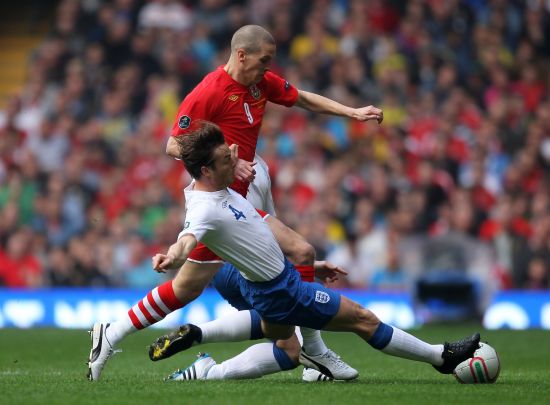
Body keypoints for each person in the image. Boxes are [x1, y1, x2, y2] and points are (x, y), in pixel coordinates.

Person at [148, 122, 479, 381]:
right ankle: (441, 357)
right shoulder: (204, 208)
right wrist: (173, 257)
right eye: (225, 159)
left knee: (285, 348)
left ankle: (203, 356)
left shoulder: (218, 186)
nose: (233, 160)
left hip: (264, 284)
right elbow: (187, 239)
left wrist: (310, 264)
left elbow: (256, 238)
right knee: (362, 319)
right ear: (206, 170)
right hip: (279, 290)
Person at [162, 24, 383, 381]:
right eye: (264, 60)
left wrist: (352, 112)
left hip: (250, 186)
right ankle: (314, 352)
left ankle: (207, 357)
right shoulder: (209, 91)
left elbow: (303, 98)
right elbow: (174, 143)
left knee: (283, 334)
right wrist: (223, 158)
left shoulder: (260, 84)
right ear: (241, 55)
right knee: (292, 259)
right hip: (229, 198)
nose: (269, 68)